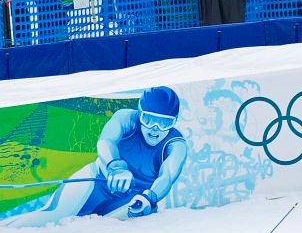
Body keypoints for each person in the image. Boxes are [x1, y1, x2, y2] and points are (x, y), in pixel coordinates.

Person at [8, 86, 188, 225]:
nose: (155, 129)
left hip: (133, 197)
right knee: (51, 216)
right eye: (149, 120)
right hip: (98, 179)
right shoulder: (127, 118)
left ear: (174, 122)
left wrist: (150, 197)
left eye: (164, 123)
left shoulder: (176, 144)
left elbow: (168, 175)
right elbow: (106, 141)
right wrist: (116, 167)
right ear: (140, 114)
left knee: (103, 229)